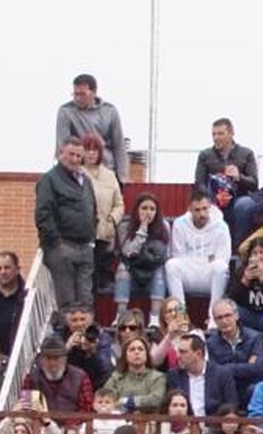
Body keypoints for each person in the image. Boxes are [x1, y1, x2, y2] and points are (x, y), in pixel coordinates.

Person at [36, 138, 97, 308]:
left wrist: (91, 239)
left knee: (86, 301)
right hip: (62, 247)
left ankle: (85, 335)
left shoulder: (86, 181)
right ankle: (66, 334)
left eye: (79, 155)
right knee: (67, 301)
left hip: (85, 247)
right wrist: (56, 244)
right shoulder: (49, 180)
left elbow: (93, 211)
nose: (75, 159)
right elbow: (43, 214)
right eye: (71, 154)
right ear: (60, 153)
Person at [166, 190, 233, 322]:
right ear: (190, 209)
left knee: (220, 267)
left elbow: (223, 257)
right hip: (189, 273)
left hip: (210, 275)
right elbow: (178, 255)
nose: (202, 214)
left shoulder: (221, 226)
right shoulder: (180, 224)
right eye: (197, 210)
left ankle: (214, 319)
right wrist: (208, 258)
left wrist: (203, 260)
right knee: (171, 265)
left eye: (205, 209)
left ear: (210, 207)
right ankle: (180, 318)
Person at [55, 74, 128, 181]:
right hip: (78, 173)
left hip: (107, 170)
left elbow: (119, 146)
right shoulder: (66, 111)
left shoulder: (110, 111)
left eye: (82, 94)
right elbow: (62, 145)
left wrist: (122, 178)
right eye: (75, 94)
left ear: (94, 92)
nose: (78, 98)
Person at [195, 117, 258, 239]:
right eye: (213, 134)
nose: (216, 138)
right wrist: (214, 197)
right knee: (203, 205)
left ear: (231, 134)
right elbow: (199, 183)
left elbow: (254, 183)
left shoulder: (247, 153)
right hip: (212, 199)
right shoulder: (205, 155)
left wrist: (239, 177)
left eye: (220, 134)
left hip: (238, 199)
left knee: (246, 204)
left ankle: (238, 245)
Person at [113, 194, 169, 325]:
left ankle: (155, 318)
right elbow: (128, 252)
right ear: (137, 210)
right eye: (144, 208)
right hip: (132, 273)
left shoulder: (164, 226)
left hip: (152, 274)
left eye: (152, 209)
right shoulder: (125, 226)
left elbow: (165, 254)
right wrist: (142, 229)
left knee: (160, 270)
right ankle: (120, 315)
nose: (148, 212)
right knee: (122, 268)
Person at [80, 134, 123, 293]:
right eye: (87, 149)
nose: (91, 153)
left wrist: (112, 220)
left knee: (101, 280)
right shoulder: (78, 174)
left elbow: (119, 204)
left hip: (105, 235)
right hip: (84, 236)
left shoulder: (110, 175)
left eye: (94, 150)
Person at [168, 331, 238, 416]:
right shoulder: (174, 375)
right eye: (178, 352)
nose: (178, 356)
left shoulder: (222, 374)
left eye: (183, 352)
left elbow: (231, 406)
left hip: (213, 426)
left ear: (198, 354)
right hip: (184, 426)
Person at [206, 299, 263, 394]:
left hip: (250, 387)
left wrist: (227, 368)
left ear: (236, 316)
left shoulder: (254, 337)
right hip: (226, 389)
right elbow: (215, 372)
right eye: (219, 318)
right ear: (215, 321)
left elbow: (257, 368)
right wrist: (246, 366)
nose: (224, 321)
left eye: (228, 315)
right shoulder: (211, 343)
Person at [23, 336, 95, 413]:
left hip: (75, 423)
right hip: (42, 422)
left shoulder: (81, 377)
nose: (52, 363)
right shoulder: (32, 378)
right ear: (41, 359)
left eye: (56, 358)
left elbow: (86, 409)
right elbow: (26, 407)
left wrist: (70, 423)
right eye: (48, 358)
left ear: (65, 358)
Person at [105, 328, 167, 413]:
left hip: (148, 421)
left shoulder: (157, 377)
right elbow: (107, 399)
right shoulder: (116, 377)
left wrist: (129, 402)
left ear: (146, 354)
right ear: (125, 356)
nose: (136, 352)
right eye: (132, 349)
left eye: (140, 349)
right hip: (119, 421)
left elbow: (156, 399)